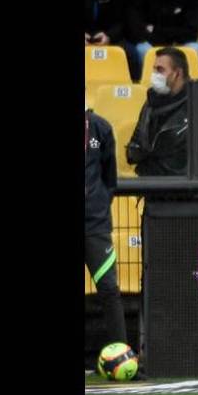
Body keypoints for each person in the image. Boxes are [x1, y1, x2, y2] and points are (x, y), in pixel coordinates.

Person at [126, 47, 198, 176]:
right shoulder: (150, 102)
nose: (154, 74)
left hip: (184, 190)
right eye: (154, 69)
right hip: (151, 186)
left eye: (160, 70)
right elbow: (137, 141)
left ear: (177, 73)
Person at [85, 107, 129, 356]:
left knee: (109, 289)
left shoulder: (100, 127)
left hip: (94, 225)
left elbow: (109, 178)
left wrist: (98, 203)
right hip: (95, 222)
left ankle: (122, 354)